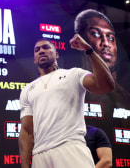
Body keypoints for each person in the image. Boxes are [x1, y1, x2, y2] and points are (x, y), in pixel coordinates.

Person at [18, 35, 114, 168]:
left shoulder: (73, 74)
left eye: (46, 47)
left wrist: (89, 50)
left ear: (56, 54)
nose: (41, 51)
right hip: (39, 155)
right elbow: (27, 131)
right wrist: (24, 165)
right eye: (37, 50)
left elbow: (106, 85)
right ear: (34, 59)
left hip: (70, 147)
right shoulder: (27, 90)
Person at [74, 9, 130, 109]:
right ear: (80, 41)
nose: (106, 43)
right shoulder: (74, 88)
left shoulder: (126, 97)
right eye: (95, 34)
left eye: (110, 37)